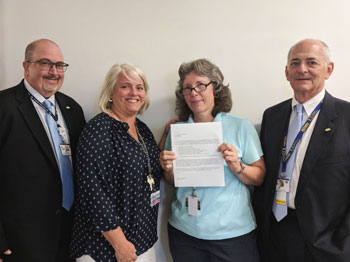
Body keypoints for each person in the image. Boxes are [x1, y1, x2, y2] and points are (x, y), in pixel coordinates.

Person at [252, 39, 350, 262]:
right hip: (275, 233)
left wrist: (343, 244)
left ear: (329, 69)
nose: (302, 69)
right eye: (295, 63)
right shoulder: (272, 116)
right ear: (287, 72)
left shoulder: (346, 116)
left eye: (312, 62)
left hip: (325, 241)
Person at [159, 58, 266, 262]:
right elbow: (173, 181)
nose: (194, 92)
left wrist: (238, 166)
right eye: (187, 88)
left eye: (201, 85)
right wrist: (168, 168)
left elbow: (260, 177)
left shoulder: (241, 127)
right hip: (184, 233)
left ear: (215, 88)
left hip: (232, 236)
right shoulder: (178, 131)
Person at [0, 39, 86, 262]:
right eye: (46, 63)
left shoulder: (72, 109)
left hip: (68, 234)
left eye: (59, 65)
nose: (54, 72)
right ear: (26, 66)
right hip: (21, 240)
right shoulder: (4, 107)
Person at [70, 63, 162, 262]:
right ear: (111, 92)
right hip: (105, 248)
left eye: (139, 87)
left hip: (143, 240)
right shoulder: (98, 131)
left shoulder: (143, 129)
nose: (133, 93)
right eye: (125, 86)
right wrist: (119, 244)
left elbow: (149, 172)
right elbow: (92, 192)